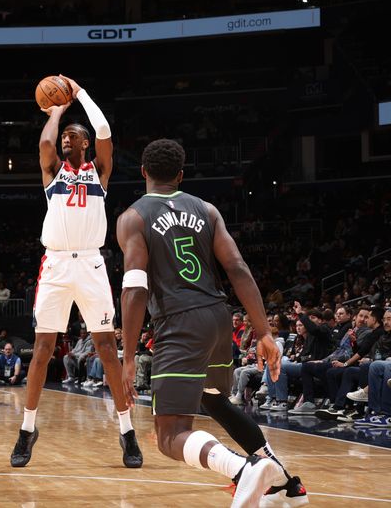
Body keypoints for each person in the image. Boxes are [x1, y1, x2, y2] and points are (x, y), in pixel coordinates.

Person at [116, 139, 307, 507]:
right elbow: (237, 268)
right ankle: (285, 483)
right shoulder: (207, 210)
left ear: (143, 173)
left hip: (179, 322)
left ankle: (242, 469)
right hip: (219, 318)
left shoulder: (133, 218)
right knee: (214, 400)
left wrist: (127, 357)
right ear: (181, 175)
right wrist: (264, 332)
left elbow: (135, 289)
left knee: (169, 435)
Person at [12, 75, 142, 470]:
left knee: (106, 348)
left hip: (90, 263)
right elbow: (45, 144)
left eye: (73, 135)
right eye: (65, 135)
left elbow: (103, 131)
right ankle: (27, 428)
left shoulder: (98, 172)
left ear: (84, 144)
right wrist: (54, 112)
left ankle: (127, 432)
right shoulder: (52, 172)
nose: (66, 139)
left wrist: (81, 93)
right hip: (54, 265)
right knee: (42, 352)